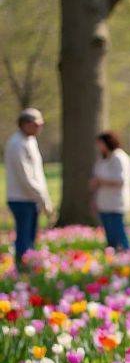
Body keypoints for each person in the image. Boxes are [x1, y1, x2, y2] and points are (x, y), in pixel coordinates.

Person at [4, 107, 53, 266]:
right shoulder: (17, 144)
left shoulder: (29, 141)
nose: (40, 127)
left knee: (30, 236)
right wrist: (42, 198)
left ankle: (28, 264)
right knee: (24, 236)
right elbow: (26, 177)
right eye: (36, 124)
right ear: (25, 124)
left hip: (30, 197)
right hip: (22, 197)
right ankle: (23, 267)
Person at [90, 131, 130, 251]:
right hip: (104, 202)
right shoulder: (102, 160)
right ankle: (112, 254)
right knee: (110, 235)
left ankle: (127, 253)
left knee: (119, 232)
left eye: (100, 144)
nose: (99, 147)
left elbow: (121, 180)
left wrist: (100, 181)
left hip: (116, 202)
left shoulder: (119, 157)